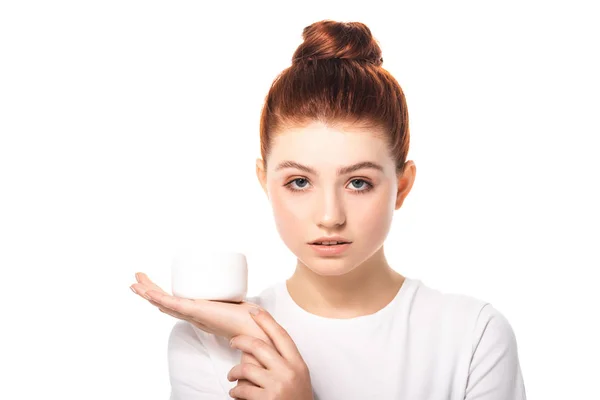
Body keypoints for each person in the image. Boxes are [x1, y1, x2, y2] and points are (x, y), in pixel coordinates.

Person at [130, 19, 527, 400]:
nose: (330, 216)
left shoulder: (473, 336)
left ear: (402, 187)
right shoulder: (207, 341)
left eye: (358, 183)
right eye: (299, 182)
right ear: (264, 182)